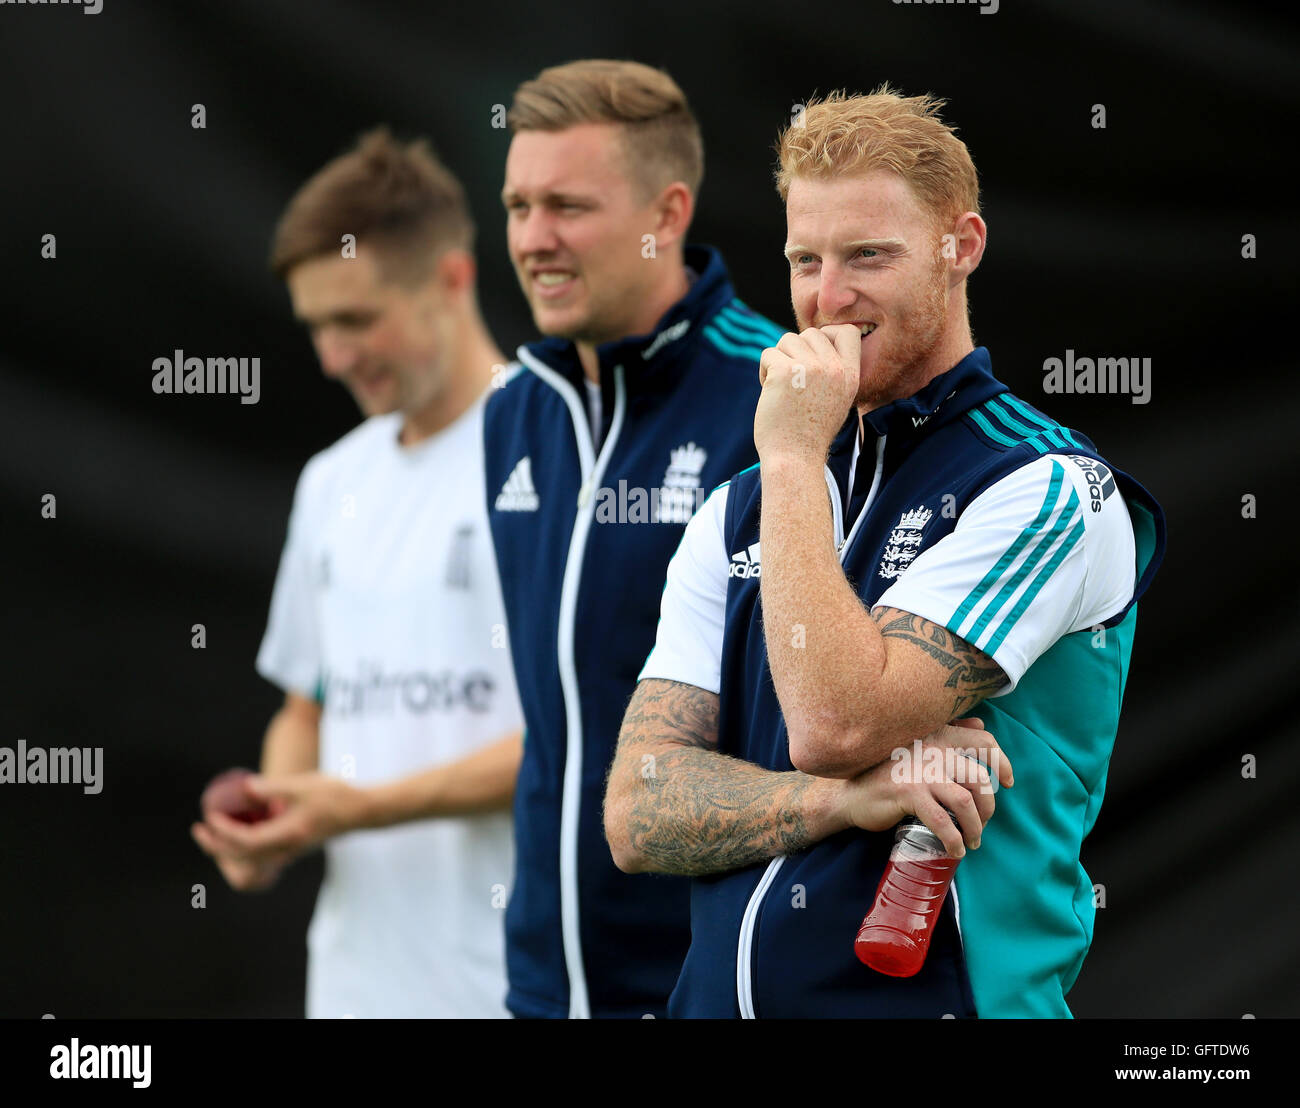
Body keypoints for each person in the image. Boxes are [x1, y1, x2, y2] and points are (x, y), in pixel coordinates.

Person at [604, 87, 1166, 1018]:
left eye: (869, 255)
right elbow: (637, 811)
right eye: (804, 259)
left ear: (963, 247)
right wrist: (837, 804)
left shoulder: (1045, 485)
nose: (829, 297)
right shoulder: (737, 509)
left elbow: (833, 725)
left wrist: (787, 455)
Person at [190, 128, 523, 1018]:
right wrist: (271, 817)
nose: (333, 356)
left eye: (356, 319)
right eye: (316, 327)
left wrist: (357, 807)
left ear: (451, 279)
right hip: (352, 986)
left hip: (510, 987)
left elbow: (582, 738)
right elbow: (308, 705)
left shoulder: (554, 452)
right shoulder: (331, 480)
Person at [486, 59, 784, 1019]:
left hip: (718, 985)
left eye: (567, 206)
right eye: (517, 206)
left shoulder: (782, 396)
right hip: (545, 987)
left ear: (668, 211)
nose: (534, 239)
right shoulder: (514, 412)